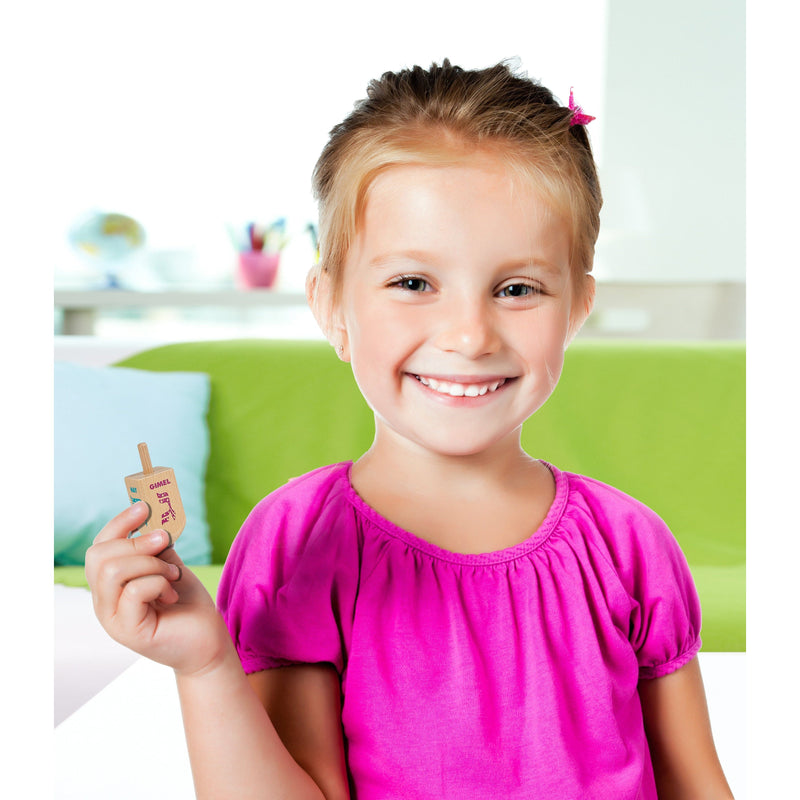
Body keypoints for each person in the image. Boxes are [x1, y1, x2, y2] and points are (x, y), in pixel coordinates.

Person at [86, 60, 734, 799]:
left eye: (517, 288)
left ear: (578, 305)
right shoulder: (300, 544)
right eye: (414, 283)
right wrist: (204, 665)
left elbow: (698, 786)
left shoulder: (629, 544)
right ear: (331, 305)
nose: (468, 334)